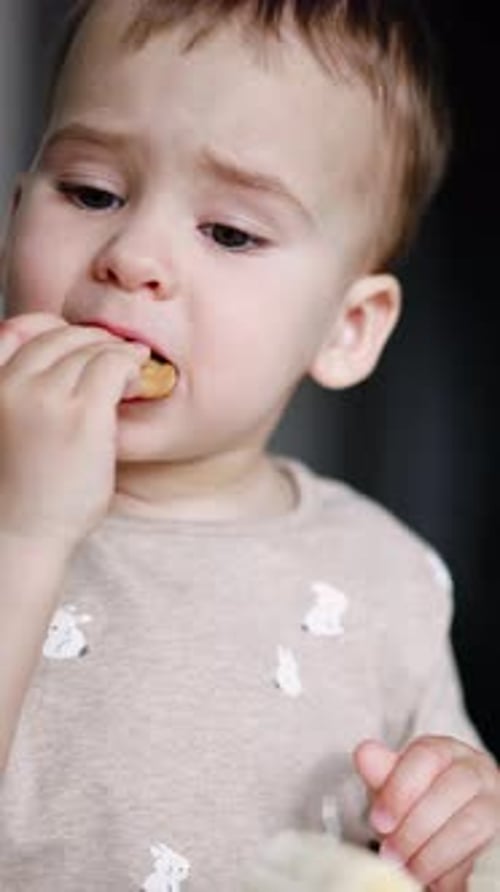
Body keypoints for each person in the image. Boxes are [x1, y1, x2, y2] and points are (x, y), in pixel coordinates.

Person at [0, 1, 498, 889]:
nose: (133, 254)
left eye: (229, 231)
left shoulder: (385, 577)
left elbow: (444, 856)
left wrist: (461, 830)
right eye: (90, 192)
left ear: (348, 328)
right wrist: (23, 532)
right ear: (14, 214)